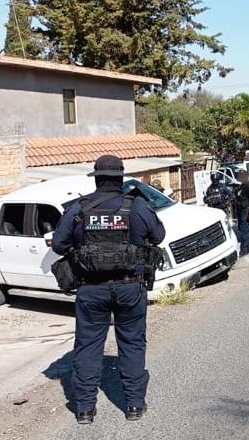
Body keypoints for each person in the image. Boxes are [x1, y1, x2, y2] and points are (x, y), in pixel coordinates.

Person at [52, 154, 166, 425]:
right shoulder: (137, 206)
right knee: (132, 344)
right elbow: (158, 236)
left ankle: (84, 410)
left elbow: (58, 245)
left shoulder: (79, 209)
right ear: (120, 179)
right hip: (130, 288)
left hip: (91, 290)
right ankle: (134, 406)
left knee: (88, 347)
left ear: (97, 178)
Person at [233, 170, 249, 256]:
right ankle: (247, 248)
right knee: (245, 229)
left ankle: (244, 249)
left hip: (246, 209)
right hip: (240, 210)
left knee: (244, 229)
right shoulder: (241, 186)